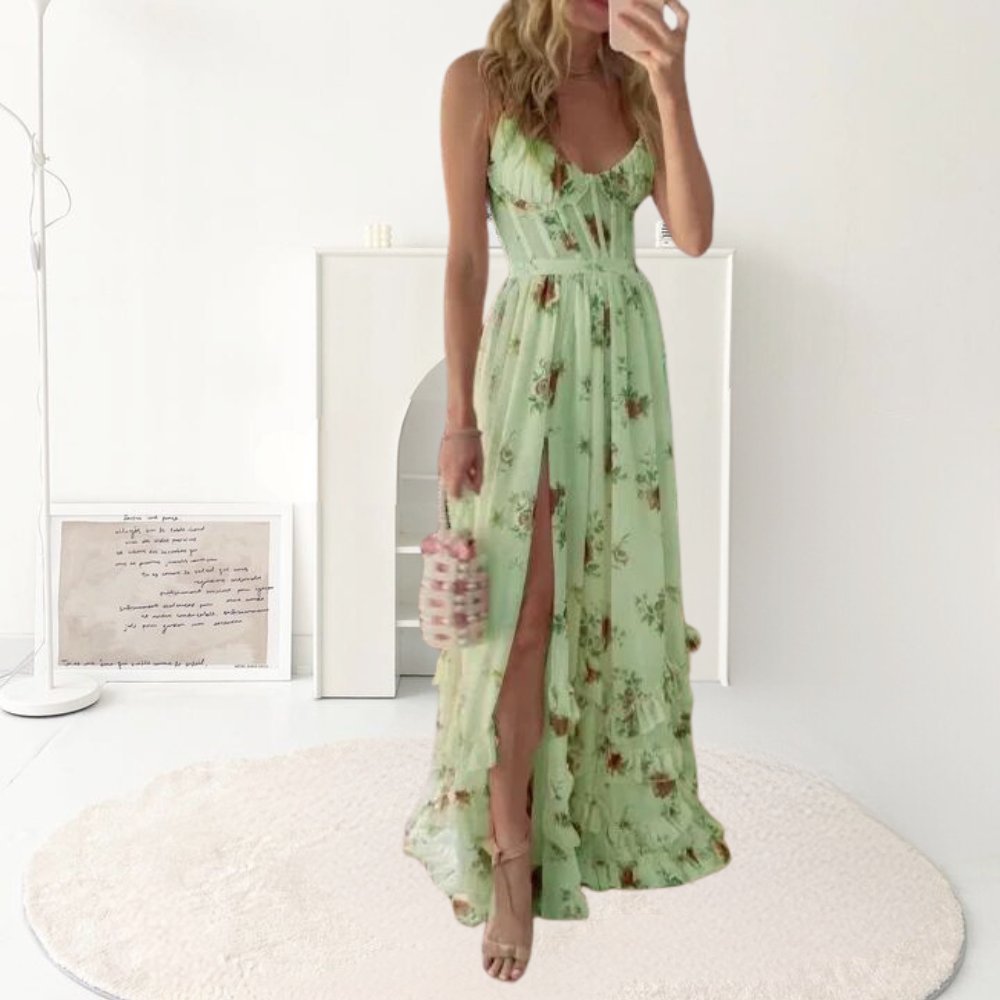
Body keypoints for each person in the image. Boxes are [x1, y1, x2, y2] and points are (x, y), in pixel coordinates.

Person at [402, 0, 731, 983]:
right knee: (521, 618)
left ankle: (580, 820)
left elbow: (692, 231)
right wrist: (458, 415)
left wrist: (671, 81)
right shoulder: (478, 80)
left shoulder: (637, 86)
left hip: (623, 370)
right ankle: (510, 858)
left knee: (605, 607)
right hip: (529, 363)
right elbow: (467, 258)